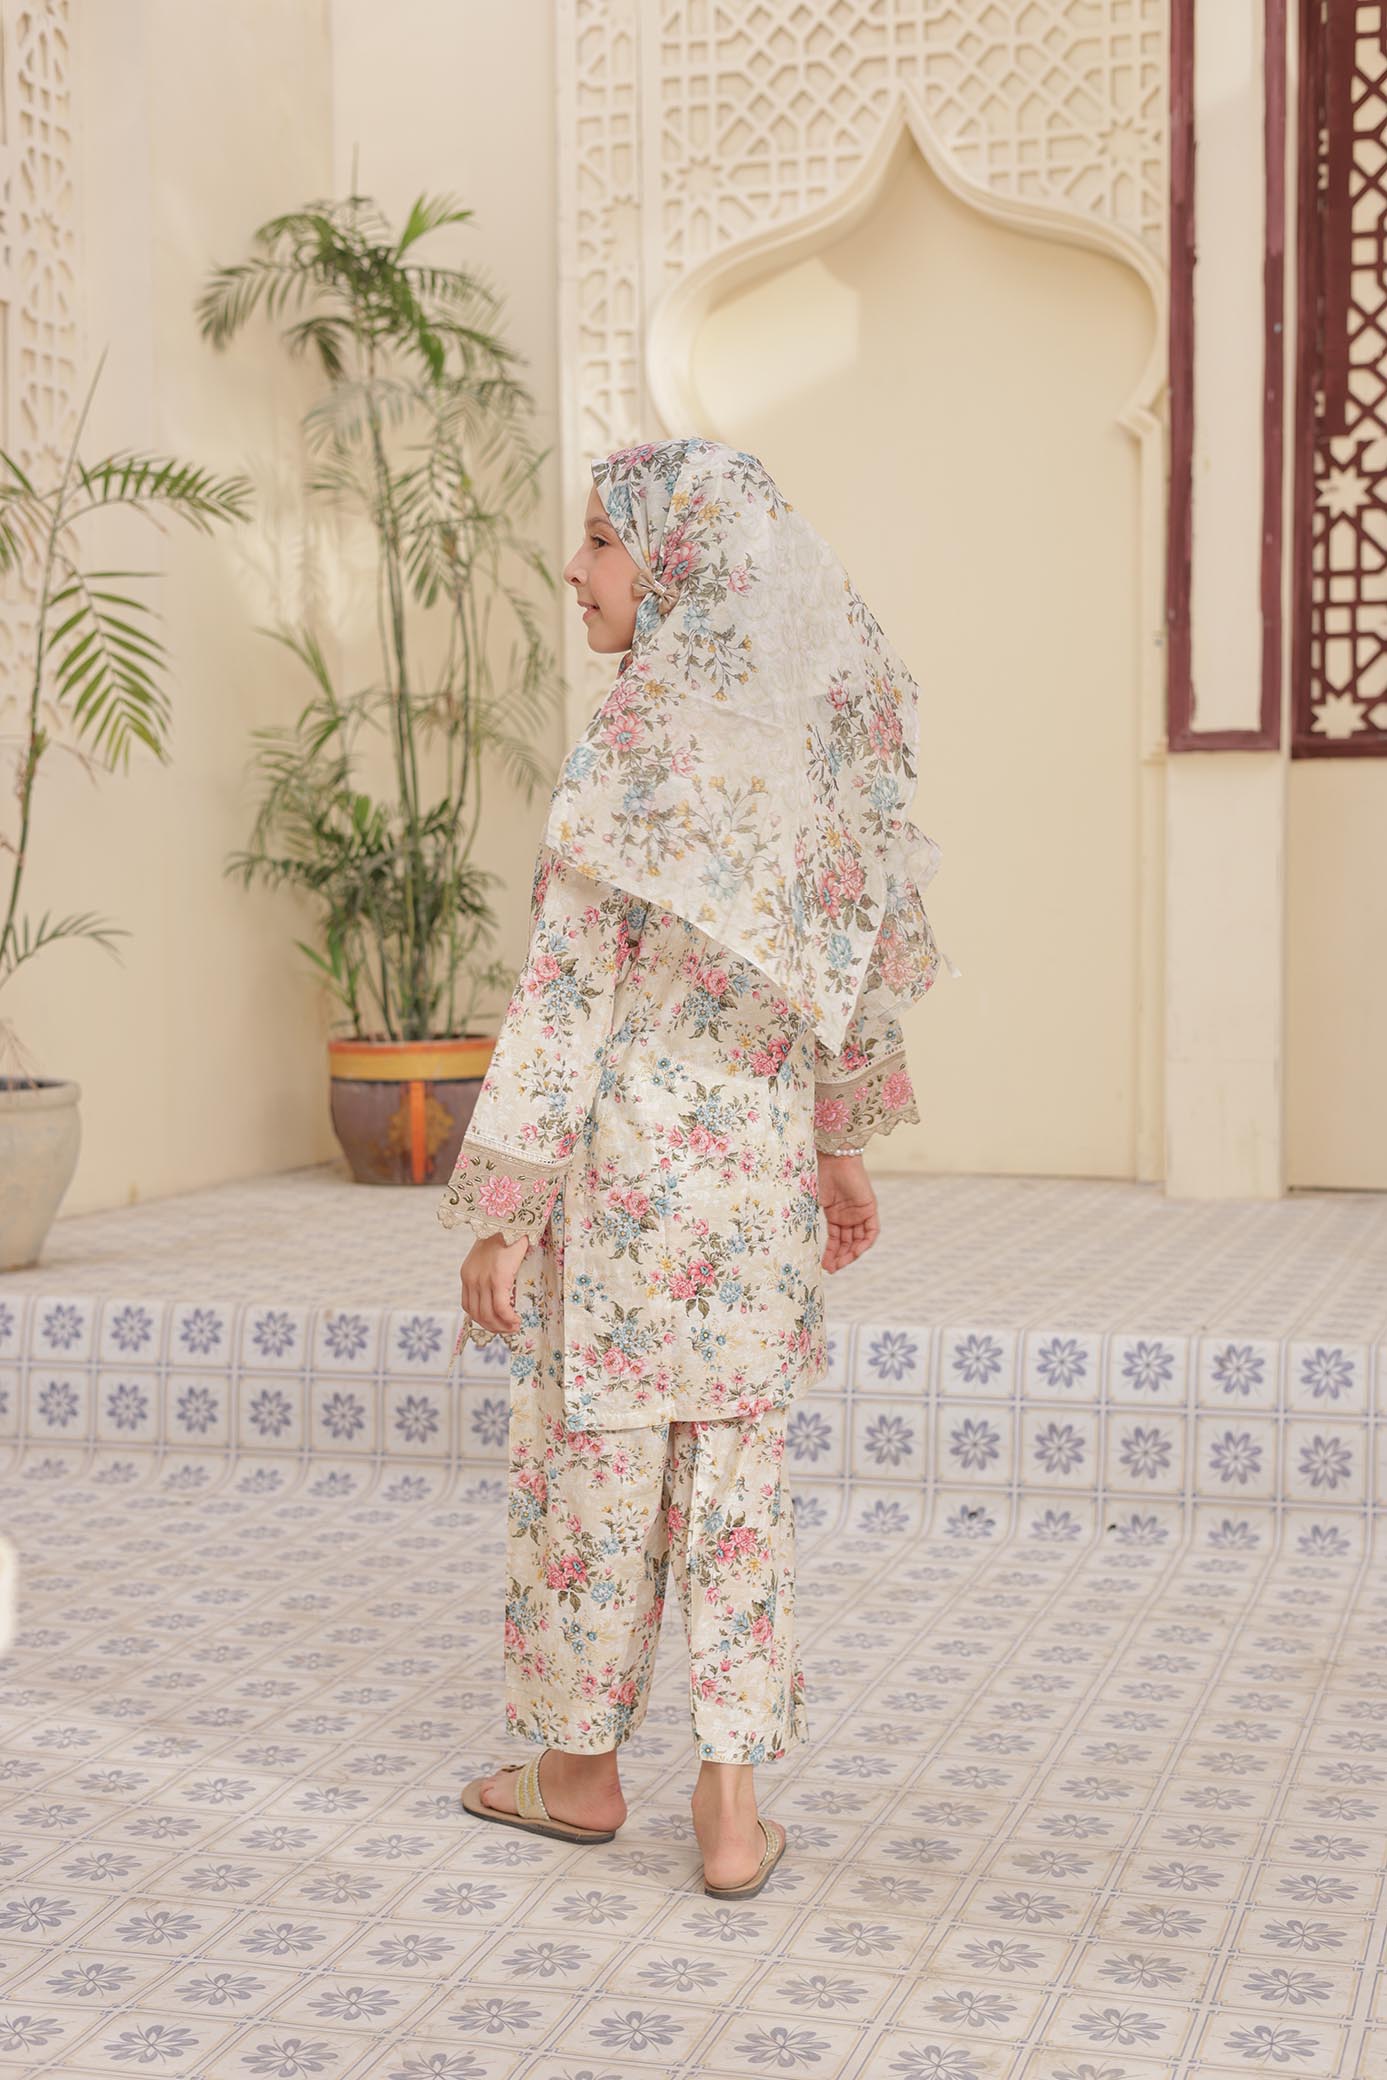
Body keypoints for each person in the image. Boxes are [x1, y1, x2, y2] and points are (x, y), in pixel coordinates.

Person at [437, 437, 958, 1898]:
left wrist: (504, 1206)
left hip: (626, 1190)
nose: (578, 567)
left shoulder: (635, 759)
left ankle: (579, 1773)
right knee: (739, 1484)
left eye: (604, 541)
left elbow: (564, 994)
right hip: (758, 1190)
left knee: (596, 1473)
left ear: (679, 572)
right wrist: (841, 1149)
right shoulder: (814, 761)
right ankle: (731, 1819)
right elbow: (846, 985)